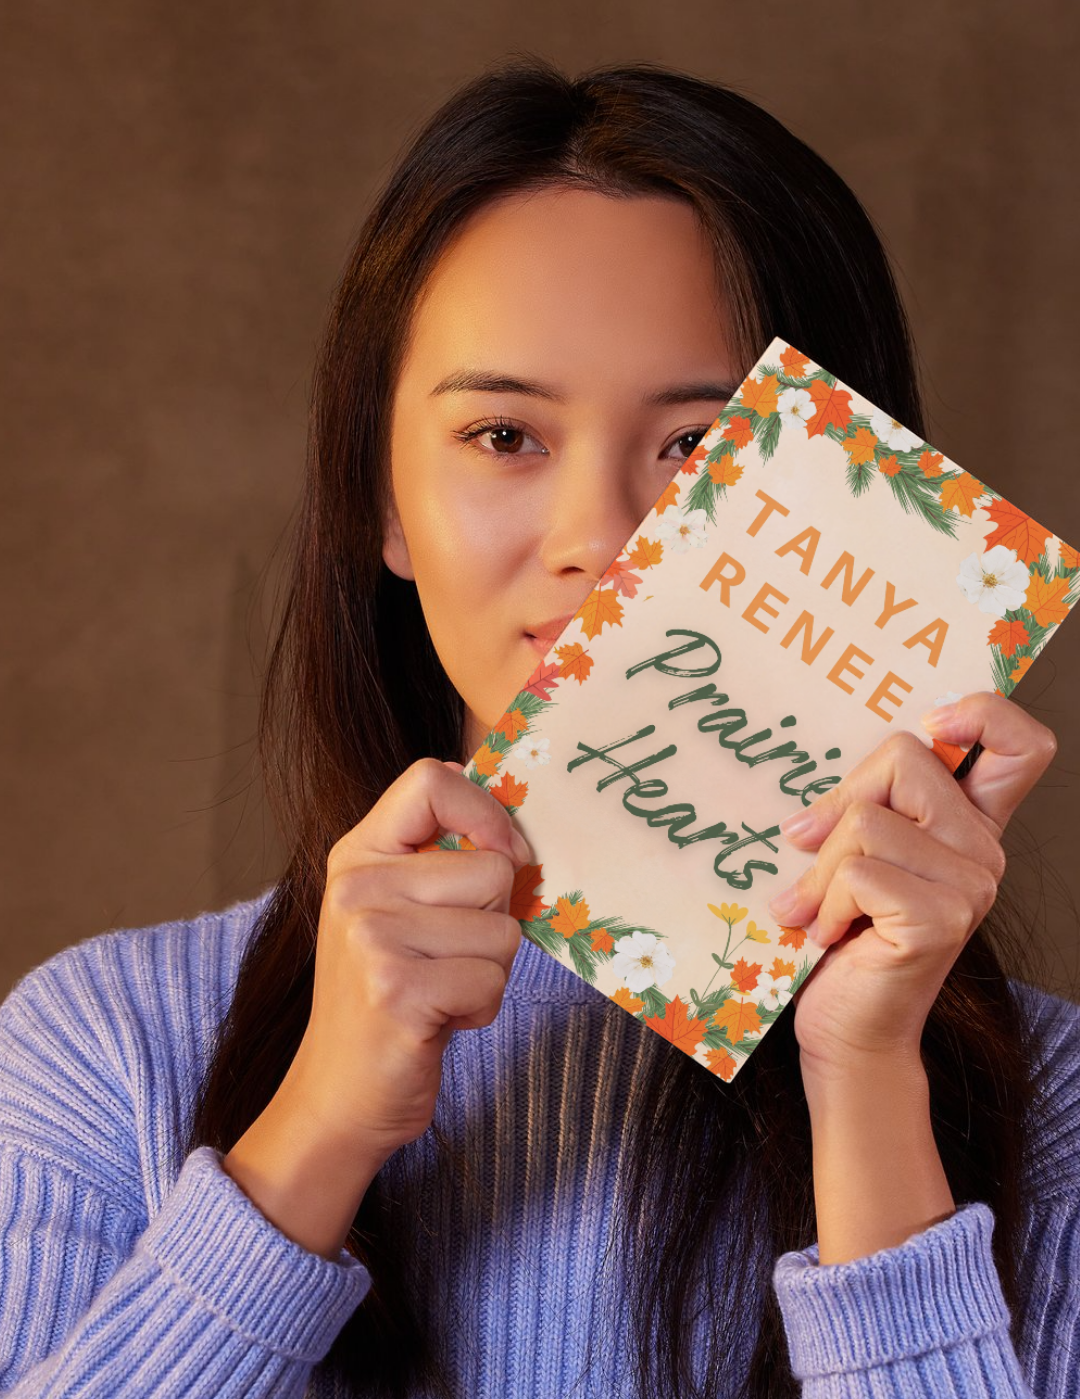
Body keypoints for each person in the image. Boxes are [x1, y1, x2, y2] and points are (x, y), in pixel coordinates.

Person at [1, 55, 1077, 1399]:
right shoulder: (106, 1052)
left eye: (696, 447)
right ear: (383, 503)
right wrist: (316, 1131)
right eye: (505, 436)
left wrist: (866, 1084)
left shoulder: (1052, 1110)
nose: (601, 541)